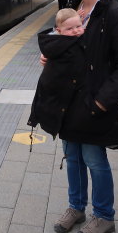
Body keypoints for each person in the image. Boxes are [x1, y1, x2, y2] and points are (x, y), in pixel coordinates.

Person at [43, 0, 118, 233]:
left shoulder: (114, 14)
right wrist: (50, 57)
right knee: (72, 157)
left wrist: (101, 101)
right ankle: (76, 208)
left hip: (95, 102)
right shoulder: (74, 10)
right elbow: (68, 48)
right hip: (69, 100)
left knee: (94, 158)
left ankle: (104, 216)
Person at [27, 8, 85, 139]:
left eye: (79, 26)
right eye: (70, 29)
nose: (76, 31)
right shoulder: (70, 44)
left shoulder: (55, 43)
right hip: (67, 104)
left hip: (66, 106)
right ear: (59, 31)